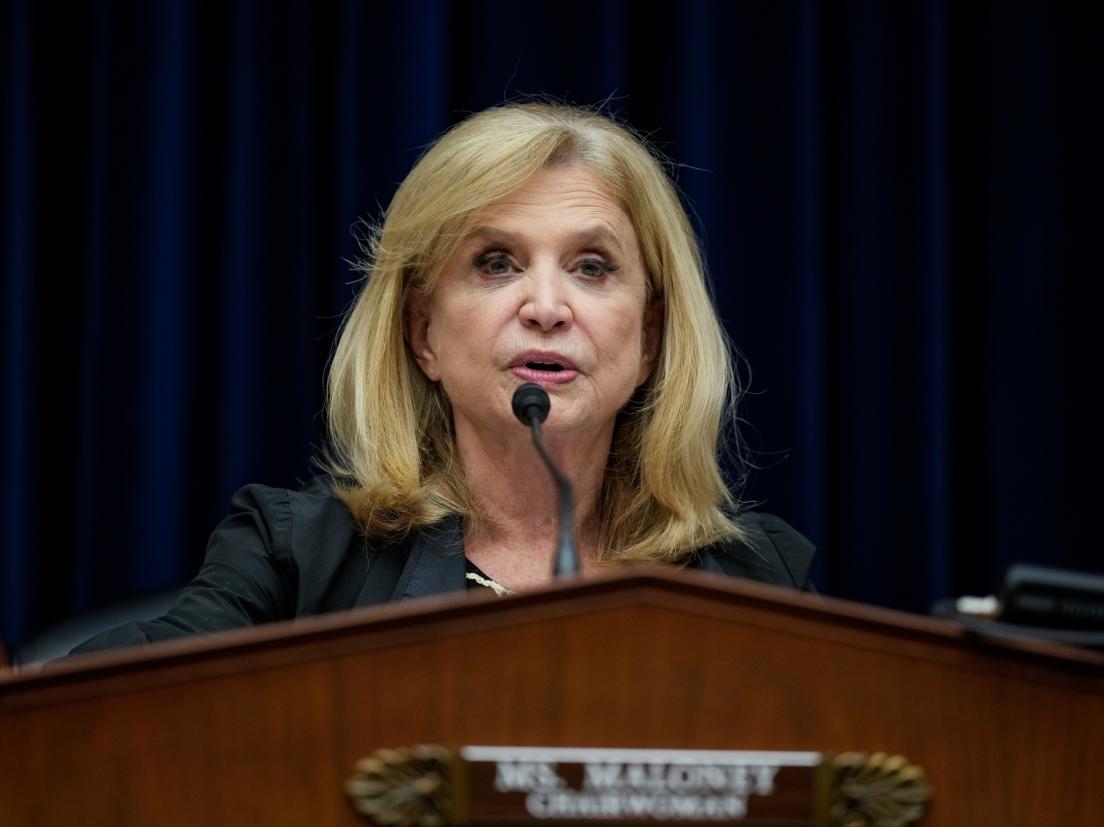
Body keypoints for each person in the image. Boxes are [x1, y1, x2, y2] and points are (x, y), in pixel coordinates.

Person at [71, 103, 815, 655]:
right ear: (423, 332)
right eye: (497, 263)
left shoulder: (756, 576)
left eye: (592, 267)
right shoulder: (298, 558)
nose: (547, 308)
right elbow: (116, 701)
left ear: (650, 337)